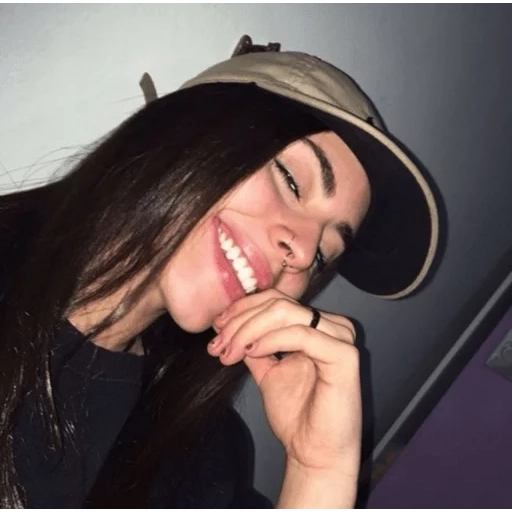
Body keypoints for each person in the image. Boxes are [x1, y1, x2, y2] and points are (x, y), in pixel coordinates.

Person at [0, 45, 439, 511]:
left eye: (322, 256)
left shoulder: (205, 460)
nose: (302, 252)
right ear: (184, 129)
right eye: (292, 180)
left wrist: (320, 470)